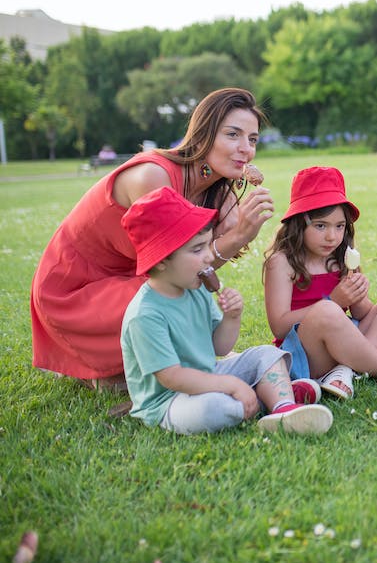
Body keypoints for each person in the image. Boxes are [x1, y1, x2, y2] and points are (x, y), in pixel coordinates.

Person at [31, 87, 275, 391]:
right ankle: (108, 367)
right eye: (233, 135)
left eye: (252, 139)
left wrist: (240, 231)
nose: (245, 149)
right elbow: (176, 270)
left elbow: (199, 269)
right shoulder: (154, 177)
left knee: (183, 292)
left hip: (129, 281)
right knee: (172, 291)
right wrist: (239, 236)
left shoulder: (220, 194)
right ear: (203, 134)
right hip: (74, 291)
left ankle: (158, 362)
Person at [120, 186, 332, 435]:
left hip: (209, 374)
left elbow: (219, 348)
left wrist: (232, 318)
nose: (209, 257)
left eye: (207, 245)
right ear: (163, 259)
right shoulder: (146, 314)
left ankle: (284, 406)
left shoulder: (195, 288)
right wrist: (229, 384)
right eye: (197, 249)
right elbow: (172, 377)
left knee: (266, 354)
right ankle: (265, 394)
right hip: (170, 401)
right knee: (213, 408)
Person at [263, 166, 377, 400]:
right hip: (306, 353)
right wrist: (334, 301)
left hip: (343, 342)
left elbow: (362, 314)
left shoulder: (340, 258)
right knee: (326, 311)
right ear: (298, 223)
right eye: (320, 225)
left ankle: (347, 369)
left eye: (339, 226)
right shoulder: (282, 262)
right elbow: (279, 326)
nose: (331, 236)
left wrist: (357, 298)